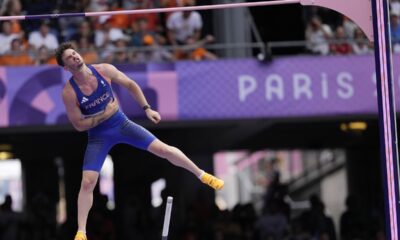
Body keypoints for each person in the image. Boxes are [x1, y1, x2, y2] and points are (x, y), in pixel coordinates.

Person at [55, 42, 224, 240]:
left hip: (122, 125)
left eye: (75, 53)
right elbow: (79, 125)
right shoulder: (69, 92)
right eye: (69, 57)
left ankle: (202, 175)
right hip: (98, 136)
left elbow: (131, 85)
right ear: (66, 67)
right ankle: (81, 232)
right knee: (87, 182)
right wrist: (103, 115)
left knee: (164, 150)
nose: (75, 57)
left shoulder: (104, 70)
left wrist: (147, 108)